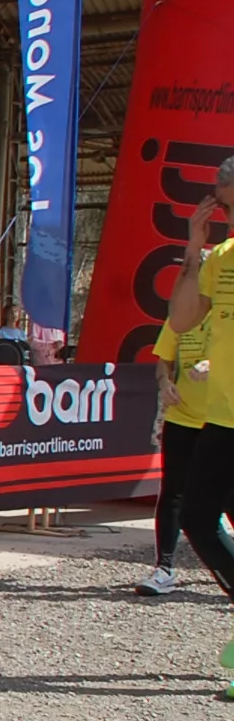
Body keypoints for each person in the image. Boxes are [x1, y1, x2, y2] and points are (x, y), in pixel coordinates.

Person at [164, 155, 234, 686]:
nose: (218, 202)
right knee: (199, 519)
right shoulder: (220, 256)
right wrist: (193, 248)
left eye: (223, 194)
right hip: (223, 418)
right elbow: (183, 318)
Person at [139, 312, 209, 597]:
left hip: (222, 420)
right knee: (172, 493)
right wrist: (165, 383)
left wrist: (214, 363)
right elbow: (163, 364)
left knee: (225, 494)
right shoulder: (180, 318)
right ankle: (164, 569)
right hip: (182, 418)